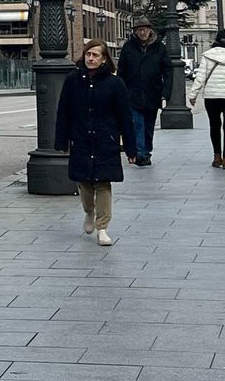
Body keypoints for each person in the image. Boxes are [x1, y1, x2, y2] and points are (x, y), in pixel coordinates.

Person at [55, 39, 138, 246]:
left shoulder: (115, 83)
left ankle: (102, 228)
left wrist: (130, 147)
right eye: (88, 54)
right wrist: (62, 140)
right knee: (84, 182)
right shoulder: (72, 80)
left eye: (95, 55)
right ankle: (89, 211)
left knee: (103, 182)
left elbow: (125, 117)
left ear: (104, 59)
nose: (91, 58)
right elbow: (63, 112)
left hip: (105, 139)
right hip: (81, 138)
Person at [188, 30, 225, 169]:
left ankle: (217, 156)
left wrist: (193, 95)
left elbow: (200, 77)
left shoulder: (207, 56)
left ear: (216, 40)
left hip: (212, 96)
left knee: (214, 125)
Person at [117, 15, 171, 166]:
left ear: (150, 30)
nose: (142, 32)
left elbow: (167, 70)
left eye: (145, 29)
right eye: (140, 30)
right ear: (135, 32)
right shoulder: (128, 47)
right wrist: (121, 90)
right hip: (133, 93)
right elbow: (122, 69)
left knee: (149, 125)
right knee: (137, 123)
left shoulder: (159, 47)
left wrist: (166, 92)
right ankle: (140, 153)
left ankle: (146, 150)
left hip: (152, 92)